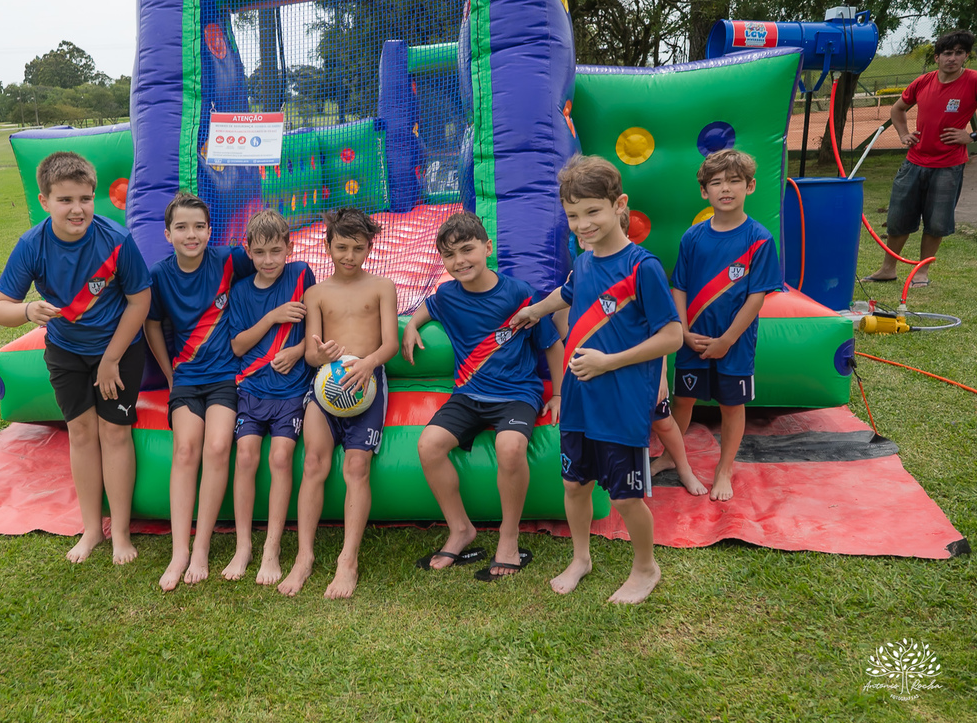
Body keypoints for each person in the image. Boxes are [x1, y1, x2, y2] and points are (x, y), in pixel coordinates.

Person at [513, 155, 681, 604]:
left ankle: (646, 567)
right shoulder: (584, 260)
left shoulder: (642, 267)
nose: (582, 224)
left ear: (619, 205)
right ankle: (581, 557)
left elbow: (672, 335)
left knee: (626, 497)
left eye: (592, 212)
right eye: (573, 215)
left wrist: (610, 361)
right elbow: (569, 292)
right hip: (580, 400)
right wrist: (535, 310)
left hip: (621, 403)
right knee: (574, 485)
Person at [0, 151, 151, 565]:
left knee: (115, 433)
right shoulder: (32, 245)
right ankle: (92, 529)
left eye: (85, 198)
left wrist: (112, 359)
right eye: (65, 200)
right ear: (45, 201)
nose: (77, 209)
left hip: (117, 353)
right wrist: (27, 311)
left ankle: (122, 533)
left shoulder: (116, 239)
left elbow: (140, 301)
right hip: (65, 353)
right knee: (80, 433)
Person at [403, 212, 564, 580]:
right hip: (469, 394)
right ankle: (461, 528)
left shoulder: (519, 294)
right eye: (449, 255)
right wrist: (412, 324)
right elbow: (430, 305)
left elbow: (553, 346)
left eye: (467, 250)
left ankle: (509, 537)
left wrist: (560, 394)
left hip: (517, 392)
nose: (459, 261)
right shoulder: (447, 294)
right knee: (428, 445)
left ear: (487, 247)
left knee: (510, 448)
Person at [278, 207, 399, 599]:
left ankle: (348, 560)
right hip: (325, 385)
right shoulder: (315, 293)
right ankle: (304, 556)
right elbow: (312, 356)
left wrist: (368, 363)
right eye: (342, 247)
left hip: (367, 383)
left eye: (358, 248)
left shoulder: (382, 286)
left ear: (369, 248)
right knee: (313, 462)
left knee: (357, 465)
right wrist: (322, 354)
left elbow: (390, 345)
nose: (349, 256)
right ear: (327, 244)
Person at [144, 193, 254, 591]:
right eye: (182, 227)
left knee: (218, 446)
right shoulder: (158, 275)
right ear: (167, 233)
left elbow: (268, 256)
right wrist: (169, 373)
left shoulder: (228, 260)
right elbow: (151, 324)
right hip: (187, 378)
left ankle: (203, 547)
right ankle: (180, 551)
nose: (191, 235)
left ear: (210, 231)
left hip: (226, 376)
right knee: (187, 448)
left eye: (199, 227)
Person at [569, 210, 706, 496]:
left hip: (638, 371)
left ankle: (682, 467)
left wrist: (661, 376)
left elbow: (663, 330)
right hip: (601, 376)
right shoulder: (581, 269)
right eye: (581, 234)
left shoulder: (638, 268)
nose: (588, 236)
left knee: (663, 422)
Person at [669, 149, 780, 502]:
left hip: (735, 344)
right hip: (692, 340)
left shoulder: (759, 239)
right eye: (717, 183)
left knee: (732, 406)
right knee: (683, 400)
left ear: (751, 186)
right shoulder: (693, 238)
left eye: (734, 181)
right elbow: (680, 287)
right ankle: (670, 458)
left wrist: (728, 340)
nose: (726, 189)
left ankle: (724, 468)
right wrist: (683, 331)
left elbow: (757, 297)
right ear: (705, 192)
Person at [226, 209, 316, 584]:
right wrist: (273, 317)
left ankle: (272, 547)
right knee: (245, 455)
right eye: (260, 253)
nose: (268, 261)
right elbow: (237, 345)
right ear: (247, 250)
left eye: (275, 252)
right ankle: (243, 545)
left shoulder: (301, 274)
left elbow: (317, 322)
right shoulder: (241, 292)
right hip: (251, 387)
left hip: (292, 390)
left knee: (280, 457)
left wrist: (297, 352)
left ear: (289, 247)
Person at [863, 30, 977, 288]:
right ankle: (888, 269)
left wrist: (973, 136)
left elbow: (973, 133)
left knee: (937, 221)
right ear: (937, 57)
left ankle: (921, 272)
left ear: (966, 56)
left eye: (959, 53)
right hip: (914, 162)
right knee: (899, 217)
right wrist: (904, 134)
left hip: (948, 166)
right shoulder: (923, 82)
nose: (952, 59)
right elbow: (897, 109)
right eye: (947, 53)